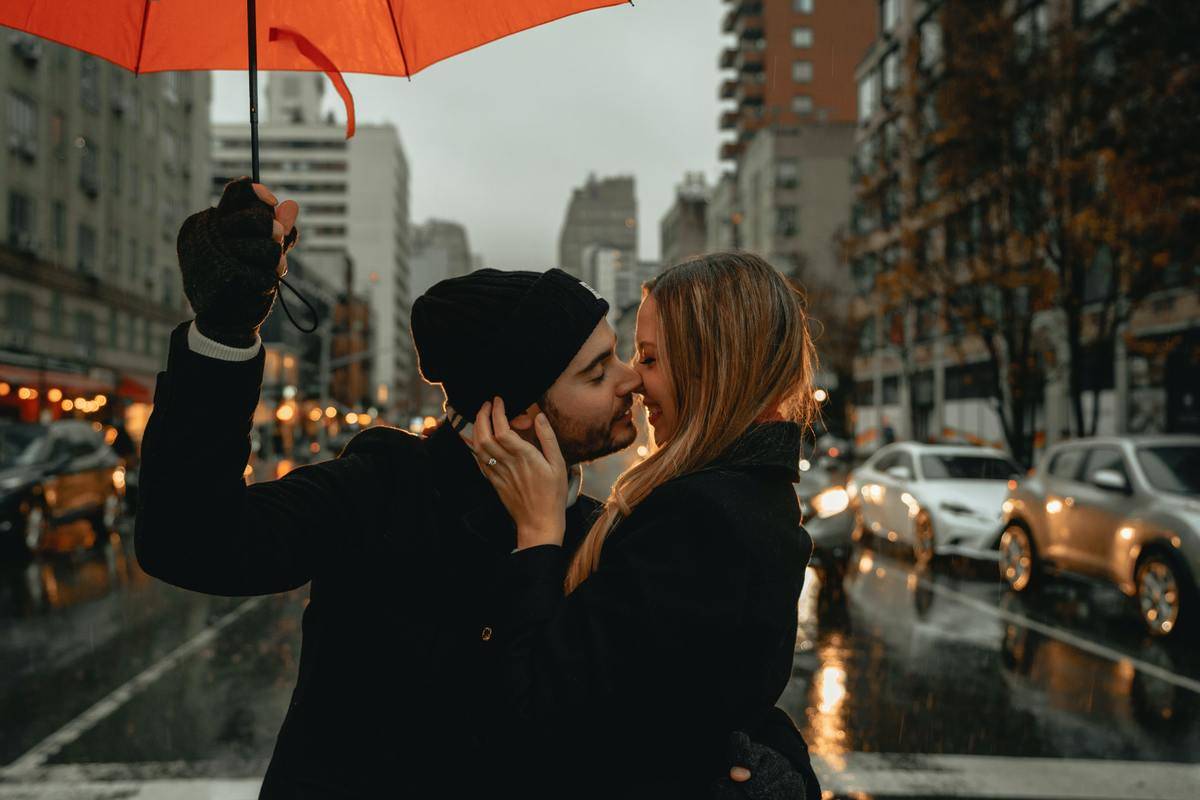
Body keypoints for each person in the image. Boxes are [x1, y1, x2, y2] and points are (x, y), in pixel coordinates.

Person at [136, 178, 801, 797]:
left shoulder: (609, 533)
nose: (631, 380)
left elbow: (690, 688)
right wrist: (223, 334)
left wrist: (770, 759)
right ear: (519, 415)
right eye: (597, 373)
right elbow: (190, 541)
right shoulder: (384, 491)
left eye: (625, 357)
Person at [471, 252, 823, 799]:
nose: (634, 379)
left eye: (651, 358)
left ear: (713, 367)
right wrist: (784, 761)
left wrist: (538, 537)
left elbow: (539, 711)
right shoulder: (746, 496)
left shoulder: (704, 518)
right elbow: (713, 696)